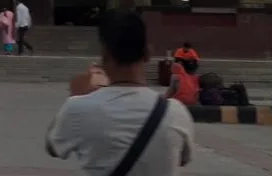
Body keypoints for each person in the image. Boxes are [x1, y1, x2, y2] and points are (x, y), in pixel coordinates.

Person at [46, 11, 195, 175]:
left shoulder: (78, 108)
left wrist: (74, 96)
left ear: (104, 56)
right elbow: (182, 159)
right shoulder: (175, 112)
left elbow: (53, 147)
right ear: (147, 54)